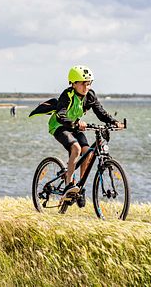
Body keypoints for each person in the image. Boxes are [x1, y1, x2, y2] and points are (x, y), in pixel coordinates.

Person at [48, 65, 123, 201]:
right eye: (83, 84)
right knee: (76, 148)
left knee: (87, 151)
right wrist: (74, 123)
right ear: (74, 83)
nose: (86, 87)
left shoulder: (90, 96)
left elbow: (100, 112)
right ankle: (68, 185)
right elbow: (60, 114)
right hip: (59, 126)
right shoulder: (67, 95)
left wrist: (114, 122)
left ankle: (79, 187)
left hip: (75, 126)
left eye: (88, 84)